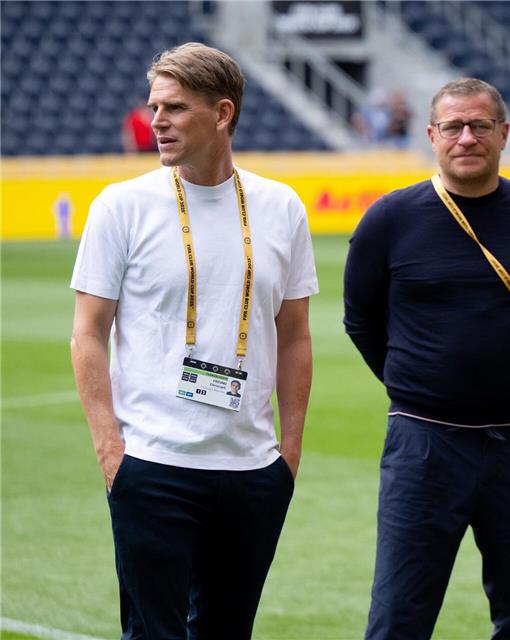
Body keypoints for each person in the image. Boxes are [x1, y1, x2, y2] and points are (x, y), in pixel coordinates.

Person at [70, 42, 318, 639]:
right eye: (155, 106)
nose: (156, 122)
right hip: (153, 464)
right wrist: (111, 450)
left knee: (228, 631)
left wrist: (287, 453)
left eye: (175, 108)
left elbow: (295, 336)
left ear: (223, 113)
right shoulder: (121, 207)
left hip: (253, 470)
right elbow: (87, 332)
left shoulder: (281, 207)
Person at [343, 77, 510, 640]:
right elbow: (361, 320)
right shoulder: (390, 219)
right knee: (400, 612)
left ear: (503, 134)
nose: (466, 137)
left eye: (479, 126)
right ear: (431, 135)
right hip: (424, 443)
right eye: (453, 126)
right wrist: (417, 381)